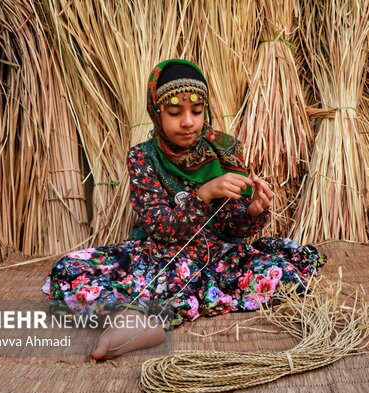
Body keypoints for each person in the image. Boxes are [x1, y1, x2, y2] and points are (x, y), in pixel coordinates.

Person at [45, 58, 326, 360]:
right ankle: (136, 320)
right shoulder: (143, 157)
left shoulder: (225, 149)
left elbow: (231, 227)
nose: (189, 121)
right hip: (157, 257)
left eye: (197, 111)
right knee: (69, 270)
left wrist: (253, 212)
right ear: (156, 112)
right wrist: (203, 194)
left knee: (277, 274)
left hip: (217, 259)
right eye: (175, 113)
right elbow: (159, 225)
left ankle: (147, 314)